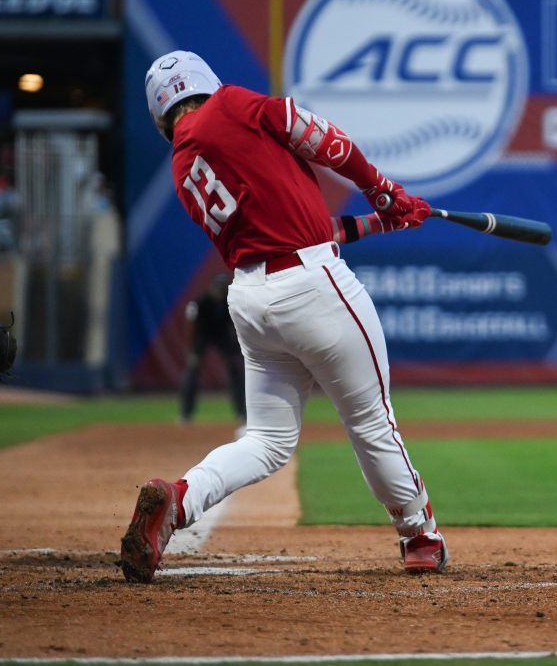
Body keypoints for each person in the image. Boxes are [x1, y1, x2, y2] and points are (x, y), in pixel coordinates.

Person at [119, 51, 443, 583]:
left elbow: (299, 224)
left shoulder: (183, 165)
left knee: (266, 442)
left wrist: (382, 220)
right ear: (205, 82)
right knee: (370, 420)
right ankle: (420, 536)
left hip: (253, 300)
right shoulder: (230, 105)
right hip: (313, 286)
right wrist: (381, 188)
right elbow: (324, 138)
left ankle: (179, 498)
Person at [179, 274, 246, 432]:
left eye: (223, 290)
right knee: (192, 371)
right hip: (202, 335)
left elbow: (236, 324)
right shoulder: (200, 302)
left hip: (222, 335)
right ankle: (185, 414)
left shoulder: (229, 301)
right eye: (218, 290)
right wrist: (192, 350)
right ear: (211, 288)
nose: (220, 293)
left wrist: (235, 348)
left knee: (234, 370)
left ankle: (242, 413)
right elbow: (192, 327)